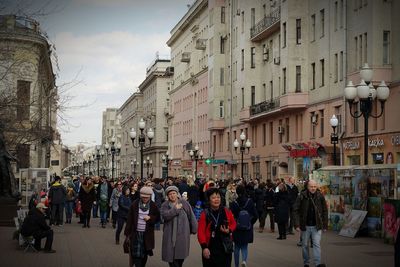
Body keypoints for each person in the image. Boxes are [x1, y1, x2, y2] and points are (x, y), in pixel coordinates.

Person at [197, 187, 236, 267]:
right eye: (213, 197)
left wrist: (229, 230)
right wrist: (204, 247)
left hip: (225, 248)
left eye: (218, 197)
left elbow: (233, 223)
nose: (216, 199)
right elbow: (200, 232)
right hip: (210, 248)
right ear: (209, 200)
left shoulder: (226, 211)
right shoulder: (205, 213)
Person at [160, 185, 198, 267]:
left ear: (177, 194)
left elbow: (191, 216)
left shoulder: (184, 203)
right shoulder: (165, 205)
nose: (172, 195)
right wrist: (175, 209)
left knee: (180, 257)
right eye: (170, 194)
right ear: (167, 196)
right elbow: (165, 216)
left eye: (174, 193)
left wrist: (194, 228)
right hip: (169, 234)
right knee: (171, 259)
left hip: (182, 234)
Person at [294, 179, 328, 267]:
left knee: (316, 244)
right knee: (305, 245)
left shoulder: (320, 196)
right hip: (305, 226)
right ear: (307, 187)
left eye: (315, 187)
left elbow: (325, 211)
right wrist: (297, 224)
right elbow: (295, 210)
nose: (313, 188)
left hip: (317, 226)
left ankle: (318, 263)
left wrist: (325, 225)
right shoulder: (302, 196)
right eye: (311, 187)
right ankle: (306, 263)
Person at [124, 186, 160, 267]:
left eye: (147, 197)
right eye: (143, 197)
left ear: (150, 196)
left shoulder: (153, 205)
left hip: (147, 234)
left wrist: (150, 217)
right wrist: (127, 233)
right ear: (140, 196)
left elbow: (158, 218)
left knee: (144, 254)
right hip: (136, 233)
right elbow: (129, 219)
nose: (145, 199)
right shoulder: (135, 204)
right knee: (136, 254)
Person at [229, 185, 258, 267]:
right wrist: (250, 223)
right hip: (247, 228)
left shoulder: (234, 203)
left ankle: (237, 265)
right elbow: (255, 215)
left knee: (237, 247)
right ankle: (244, 261)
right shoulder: (250, 201)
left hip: (237, 227)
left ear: (237, 193)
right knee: (245, 246)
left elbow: (231, 216)